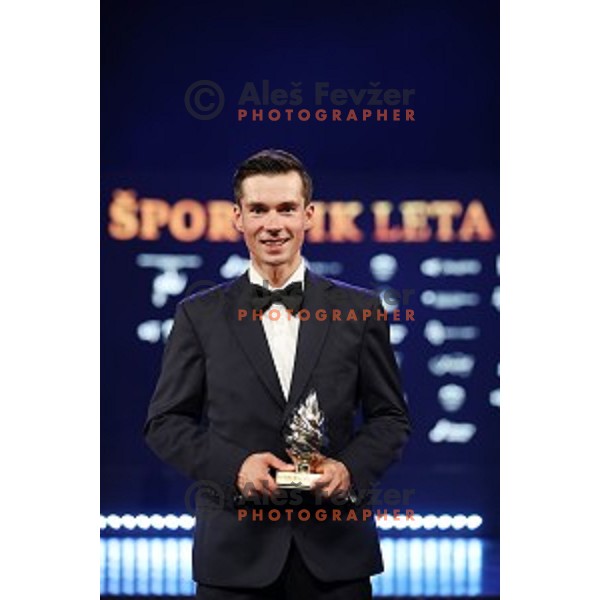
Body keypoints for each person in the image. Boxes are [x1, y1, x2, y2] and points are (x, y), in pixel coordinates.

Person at [144, 149, 411, 599]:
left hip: (336, 557)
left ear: (308, 215)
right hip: (233, 560)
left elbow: (391, 418)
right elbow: (164, 423)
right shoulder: (199, 315)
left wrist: (348, 469)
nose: (273, 224)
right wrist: (236, 469)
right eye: (259, 210)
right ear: (238, 217)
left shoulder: (359, 310)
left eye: (286, 209)